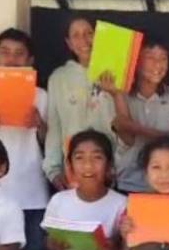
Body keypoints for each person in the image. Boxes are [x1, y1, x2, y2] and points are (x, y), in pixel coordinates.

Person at [0, 27, 50, 250]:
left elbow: (50, 143)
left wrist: (39, 125)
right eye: (5, 52)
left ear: (30, 60)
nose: (12, 59)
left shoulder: (41, 95)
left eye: (19, 53)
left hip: (32, 191)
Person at [43, 16, 122, 191]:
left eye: (89, 33)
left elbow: (126, 123)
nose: (84, 40)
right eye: (76, 35)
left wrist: (118, 168)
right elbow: (55, 126)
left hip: (113, 172)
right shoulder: (59, 77)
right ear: (69, 43)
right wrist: (53, 170)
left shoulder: (116, 72)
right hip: (73, 172)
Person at [114, 34, 169, 194]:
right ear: (135, 60)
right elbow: (127, 137)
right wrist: (127, 125)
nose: (158, 64)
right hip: (128, 181)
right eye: (150, 57)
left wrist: (132, 126)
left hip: (166, 184)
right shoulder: (120, 95)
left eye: (163, 58)